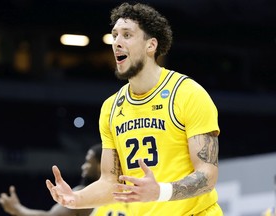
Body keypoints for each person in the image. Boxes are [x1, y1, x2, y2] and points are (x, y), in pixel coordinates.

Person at [46, 2, 223, 215]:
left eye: (127, 35)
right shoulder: (111, 108)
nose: (117, 43)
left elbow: (207, 175)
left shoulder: (188, 94)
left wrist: (160, 191)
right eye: (115, 36)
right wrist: (75, 199)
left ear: (151, 45)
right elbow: (110, 183)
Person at [0, 144, 130, 216]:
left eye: (88, 162)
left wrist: (18, 209)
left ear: (100, 164)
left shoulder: (84, 194)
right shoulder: (133, 191)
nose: (83, 166)